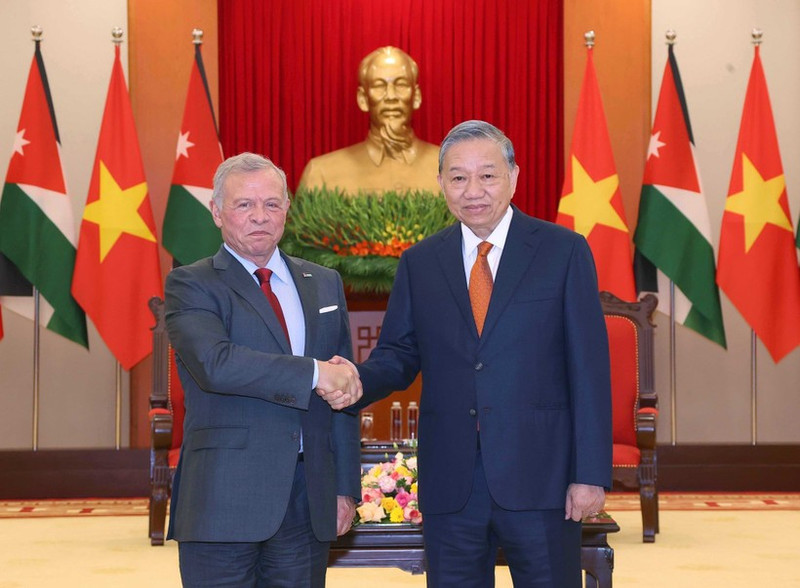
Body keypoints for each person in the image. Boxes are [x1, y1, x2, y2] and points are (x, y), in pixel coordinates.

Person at [329, 121, 612, 586]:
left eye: (487, 175)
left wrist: (590, 473)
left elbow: (590, 370)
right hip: (452, 478)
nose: (472, 190)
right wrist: (356, 381)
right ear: (440, 183)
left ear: (514, 177)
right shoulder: (420, 262)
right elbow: (399, 354)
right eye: (458, 177)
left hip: (542, 475)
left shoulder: (563, 252)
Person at [164, 152, 363, 587]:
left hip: (306, 502)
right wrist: (313, 373)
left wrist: (344, 486)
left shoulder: (324, 282)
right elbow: (216, 364)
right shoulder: (191, 283)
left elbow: (343, 391)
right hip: (223, 499)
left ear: (287, 209)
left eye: (272, 204)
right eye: (244, 205)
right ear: (217, 212)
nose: (260, 216)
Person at [296, 46, 441, 195]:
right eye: (379, 86)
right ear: (363, 99)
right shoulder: (321, 174)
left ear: (416, 96)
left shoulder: (449, 168)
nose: (391, 96)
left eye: (401, 84)